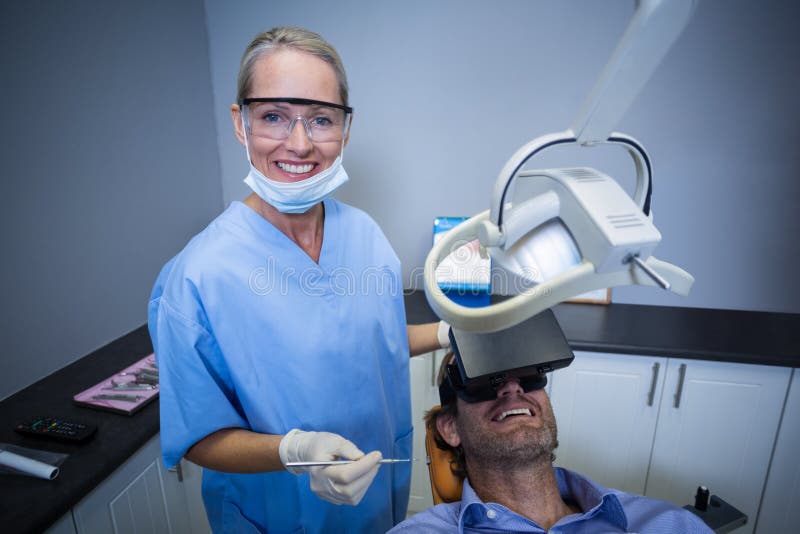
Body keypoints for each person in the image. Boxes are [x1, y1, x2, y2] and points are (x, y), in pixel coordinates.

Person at [148, 26, 449, 533]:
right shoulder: (197, 277)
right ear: (240, 123)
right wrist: (293, 451)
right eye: (273, 116)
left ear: (345, 129)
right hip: (277, 514)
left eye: (321, 119)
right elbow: (197, 434)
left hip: (376, 499)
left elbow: (367, 343)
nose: (301, 143)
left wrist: (447, 334)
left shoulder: (366, 236)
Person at [390, 353, 714, 533]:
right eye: (482, 381)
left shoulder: (667, 524)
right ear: (450, 428)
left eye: (529, 374)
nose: (512, 387)